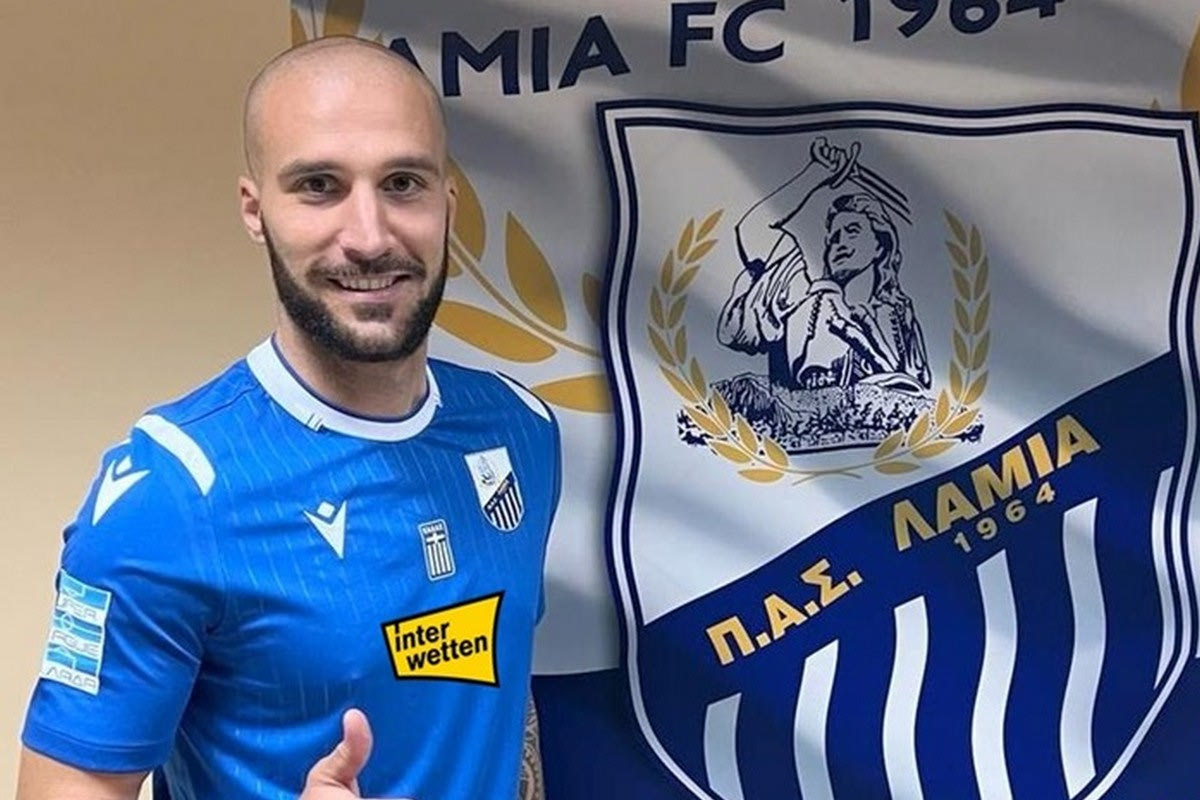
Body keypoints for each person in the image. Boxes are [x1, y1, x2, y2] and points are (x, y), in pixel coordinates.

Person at [17, 36, 558, 800]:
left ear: (448, 204)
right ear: (255, 210)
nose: (369, 236)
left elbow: (500, 707)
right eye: (319, 186)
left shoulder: (519, 430)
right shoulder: (169, 495)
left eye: (403, 183)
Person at [717, 138, 929, 392]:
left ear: (880, 245)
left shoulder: (897, 312)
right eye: (834, 235)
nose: (838, 241)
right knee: (825, 297)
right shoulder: (800, 284)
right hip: (804, 405)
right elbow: (752, 228)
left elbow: (922, 383)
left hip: (885, 412)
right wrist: (817, 172)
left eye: (852, 231)